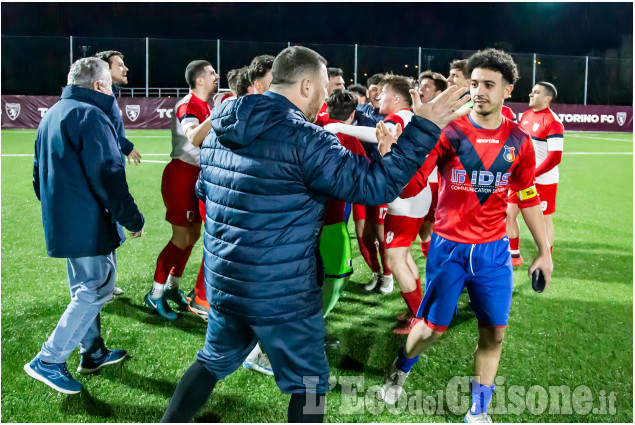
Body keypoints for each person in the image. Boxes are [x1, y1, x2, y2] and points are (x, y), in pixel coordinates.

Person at [160, 45, 470, 423]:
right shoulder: (305, 138)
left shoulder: (222, 122)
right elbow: (376, 188)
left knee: (212, 361)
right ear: (306, 86)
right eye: (323, 87)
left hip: (226, 282)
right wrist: (425, 128)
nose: (327, 96)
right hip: (282, 291)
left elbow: (205, 190)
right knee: (310, 382)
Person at [378, 49, 553, 423]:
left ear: (508, 90)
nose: (479, 92)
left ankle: (478, 411)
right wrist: (393, 157)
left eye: (489, 85)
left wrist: (544, 250)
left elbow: (527, 194)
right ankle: (402, 365)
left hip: (493, 254)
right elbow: (411, 188)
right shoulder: (449, 133)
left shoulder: (518, 140)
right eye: (474, 84)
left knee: (494, 333)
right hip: (448, 250)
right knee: (430, 331)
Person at [26, 57, 145, 395]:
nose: (111, 89)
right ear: (97, 86)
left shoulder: (51, 113)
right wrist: (132, 220)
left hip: (65, 220)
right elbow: (109, 177)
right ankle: (49, 359)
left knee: (85, 289)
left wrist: (61, 211)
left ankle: (92, 353)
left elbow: (38, 177)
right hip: (88, 222)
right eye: (108, 83)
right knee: (97, 288)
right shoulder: (92, 115)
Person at [145, 60, 218, 320]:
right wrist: (217, 116)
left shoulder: (206, 105)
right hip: (182, 176)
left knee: (193, 236)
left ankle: (172, 287)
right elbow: (194, 136)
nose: (216, 76)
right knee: (181, 238)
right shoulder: (187, 105)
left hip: (197, 176)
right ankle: (154, 294)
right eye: (211, 73)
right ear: (199, 80)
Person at [95, 50, 142, 296]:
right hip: (106, 172)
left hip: (112, 167)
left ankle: (107, 283)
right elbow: (108, 130)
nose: (125, 69)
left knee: (110, 226)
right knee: (106, 225)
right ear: (105, 69)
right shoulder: (101, 97)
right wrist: (126, 146)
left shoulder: (109, 95)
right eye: (120, 65)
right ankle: (102, 285)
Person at [507, 82, 564, 265]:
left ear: (548, 98)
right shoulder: (525, 115)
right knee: (508, 213)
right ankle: (514, 256)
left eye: (537, 92)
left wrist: (533, 174)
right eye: (532, 90)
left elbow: (554, 157)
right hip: (521, 178)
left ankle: (546, 256)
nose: (531, 94)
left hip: (543, 180)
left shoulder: (553, 122)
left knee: (543, 219)